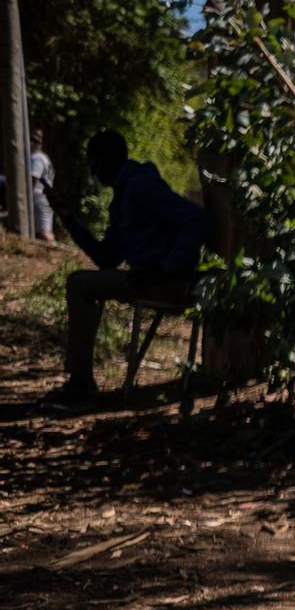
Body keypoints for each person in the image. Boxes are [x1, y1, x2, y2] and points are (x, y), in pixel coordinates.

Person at [52, 129, 209, 406]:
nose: (93, 173)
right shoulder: (123, 195)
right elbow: (107, 258)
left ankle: (80, 383)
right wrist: (69, 219)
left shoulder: (139, 186)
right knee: (80, 283)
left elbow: (196, 220)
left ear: (104, 162)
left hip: (168, 281)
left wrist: (166, 269)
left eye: (93, 165)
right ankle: (80, 381)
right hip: (149, 277)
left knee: (78, 285)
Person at [28, 132, 54, 243]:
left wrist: (26, 197)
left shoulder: (36, 158)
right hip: (44, 197)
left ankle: (57, 252)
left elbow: (33, 178)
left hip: (38, 197)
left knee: (44, 234)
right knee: (43, 231)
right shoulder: (44, 157)